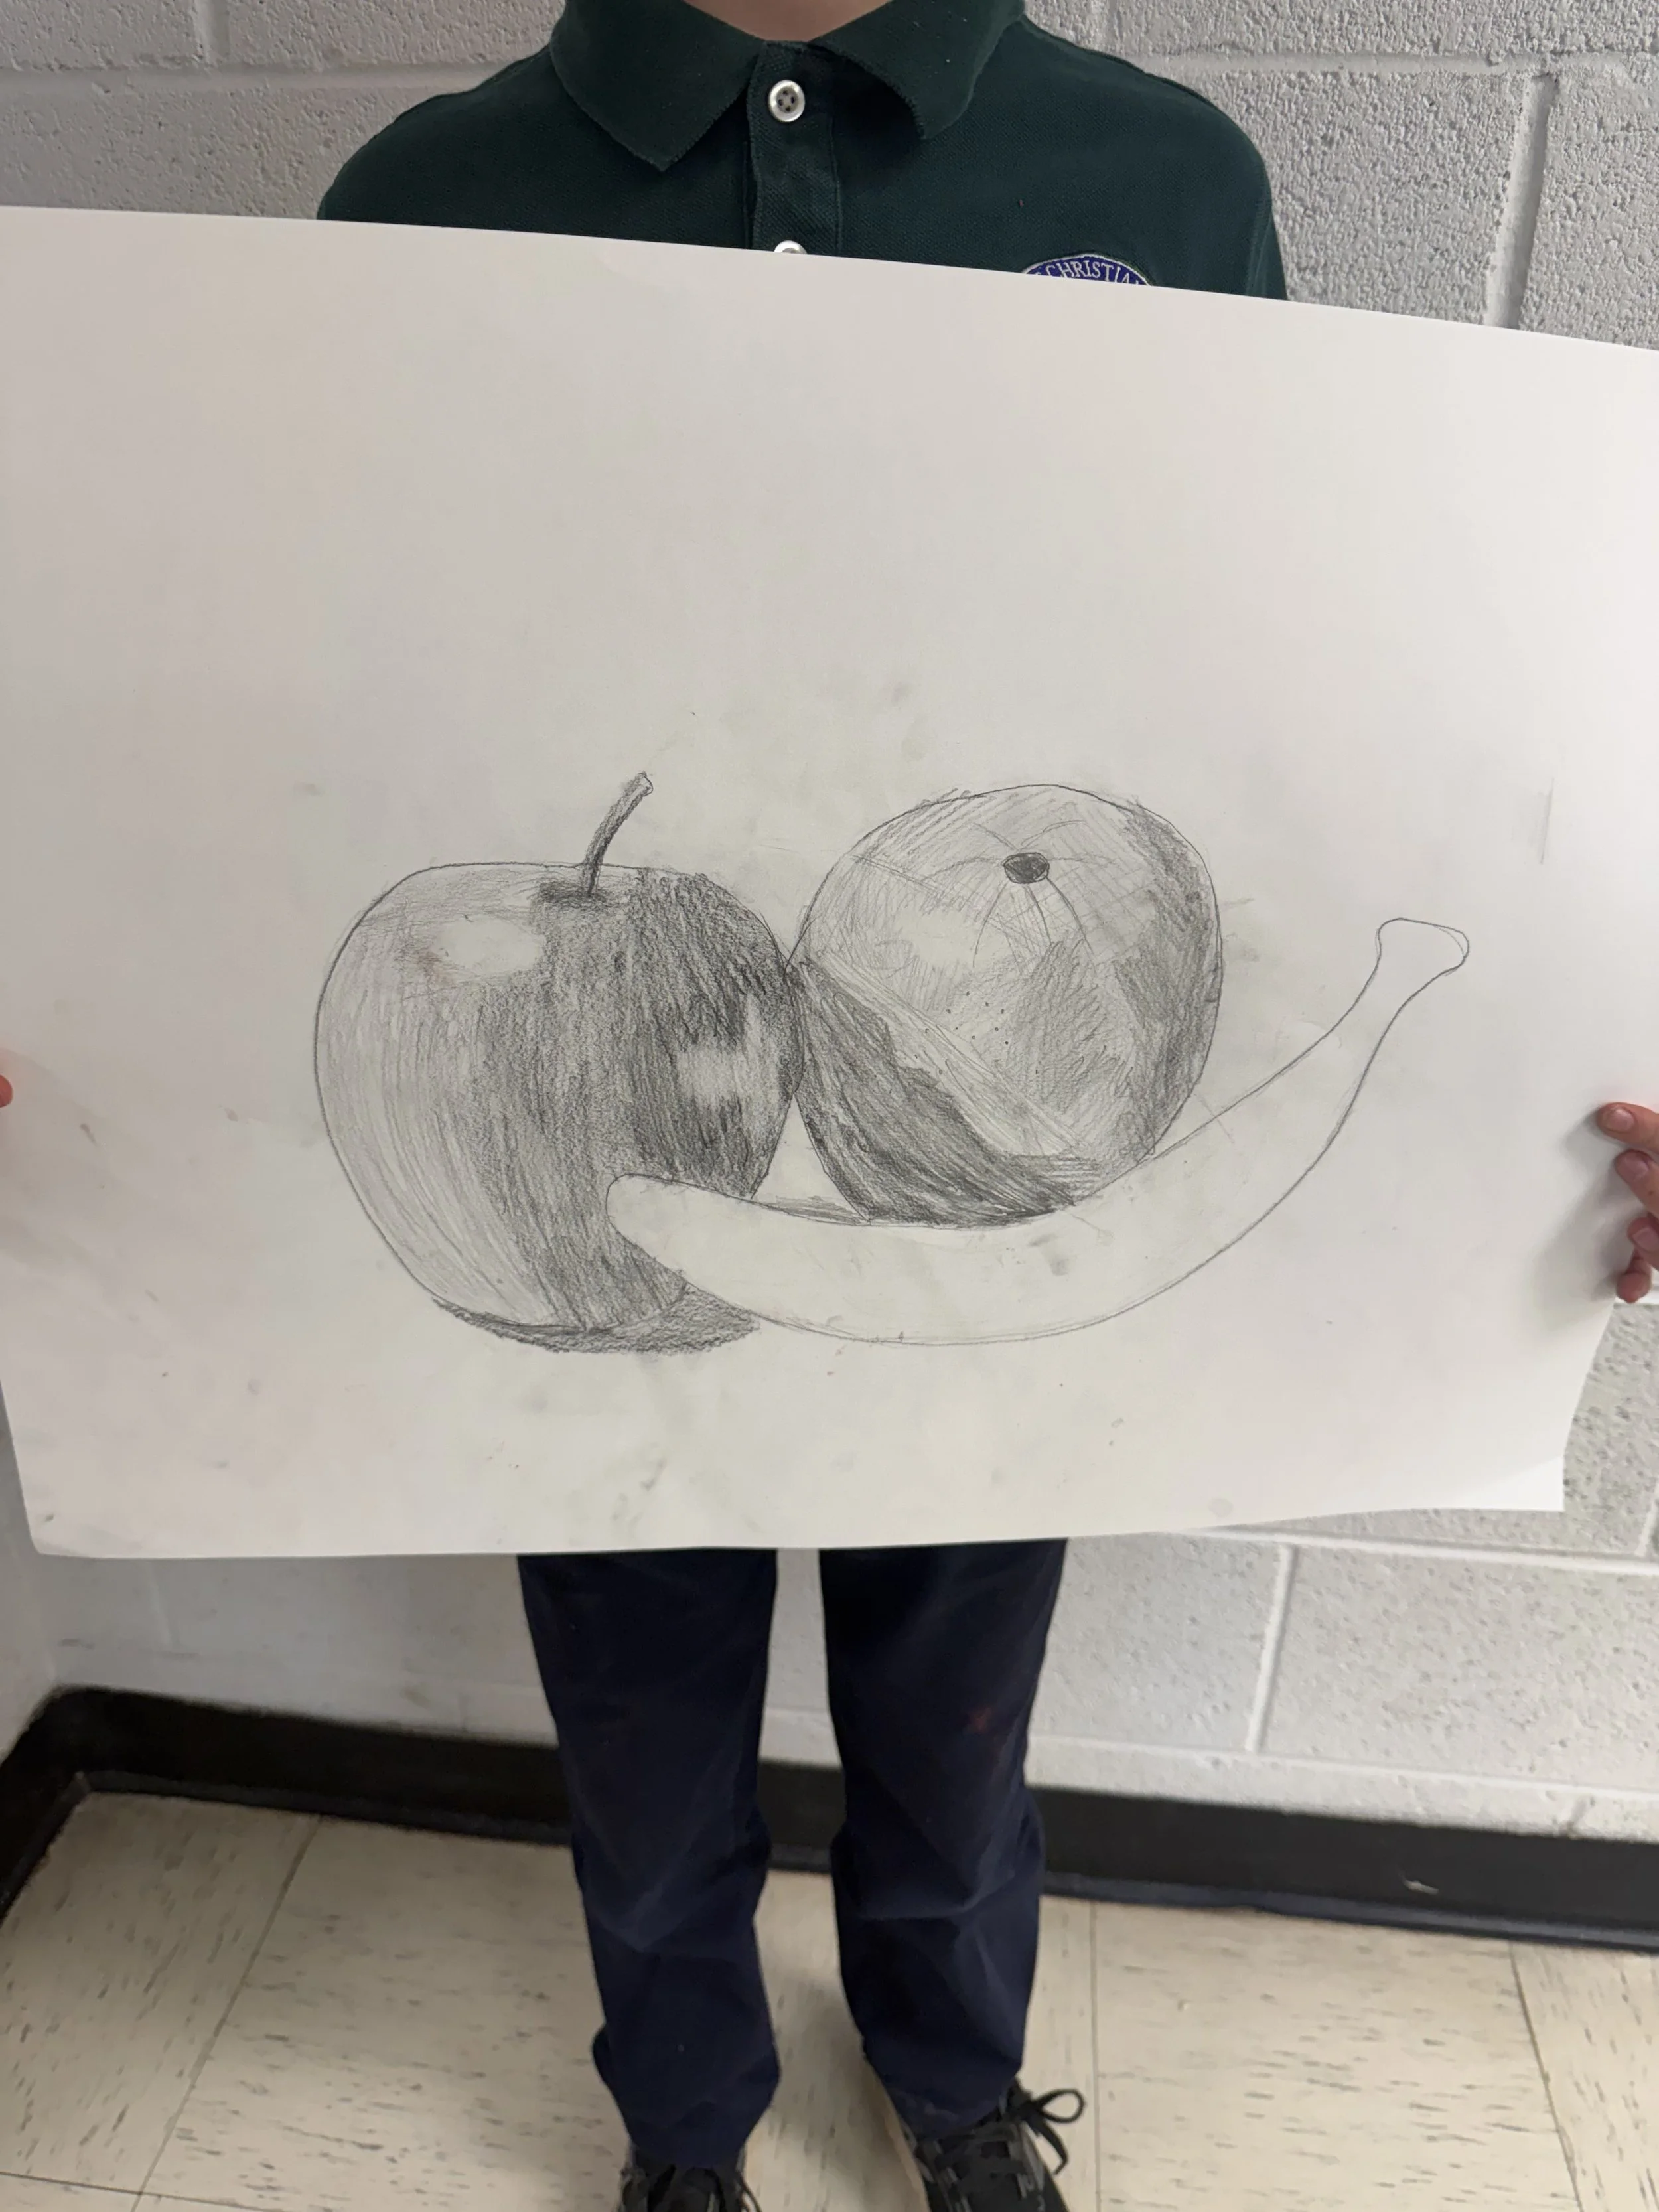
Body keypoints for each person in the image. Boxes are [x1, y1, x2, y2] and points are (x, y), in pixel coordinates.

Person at [2, 5, 1654, 2207]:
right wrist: (100, 1028)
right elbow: (261, 717)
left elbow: (1313, 699)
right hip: (593, 1130)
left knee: (962, 1706)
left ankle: (953, 2077)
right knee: (633, 1718)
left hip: (978, 1129)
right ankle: (683, 2117)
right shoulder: (429, 196)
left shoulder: (1158, 180)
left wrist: (1522, 1096)